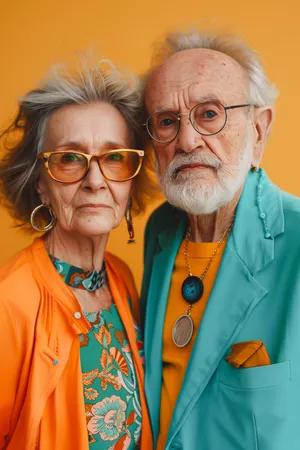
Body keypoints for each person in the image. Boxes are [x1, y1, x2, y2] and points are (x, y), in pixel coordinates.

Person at [141, 30, 300, 450]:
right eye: (166, 121)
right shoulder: (160, 231)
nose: (187, 141)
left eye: (209, 114)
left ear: (259, 130)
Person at [0, 56, 153, 450]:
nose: (95, 181)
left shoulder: (121, 278)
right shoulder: (10, 301)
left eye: (114, 157)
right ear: (39, 185)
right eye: (70, 158)